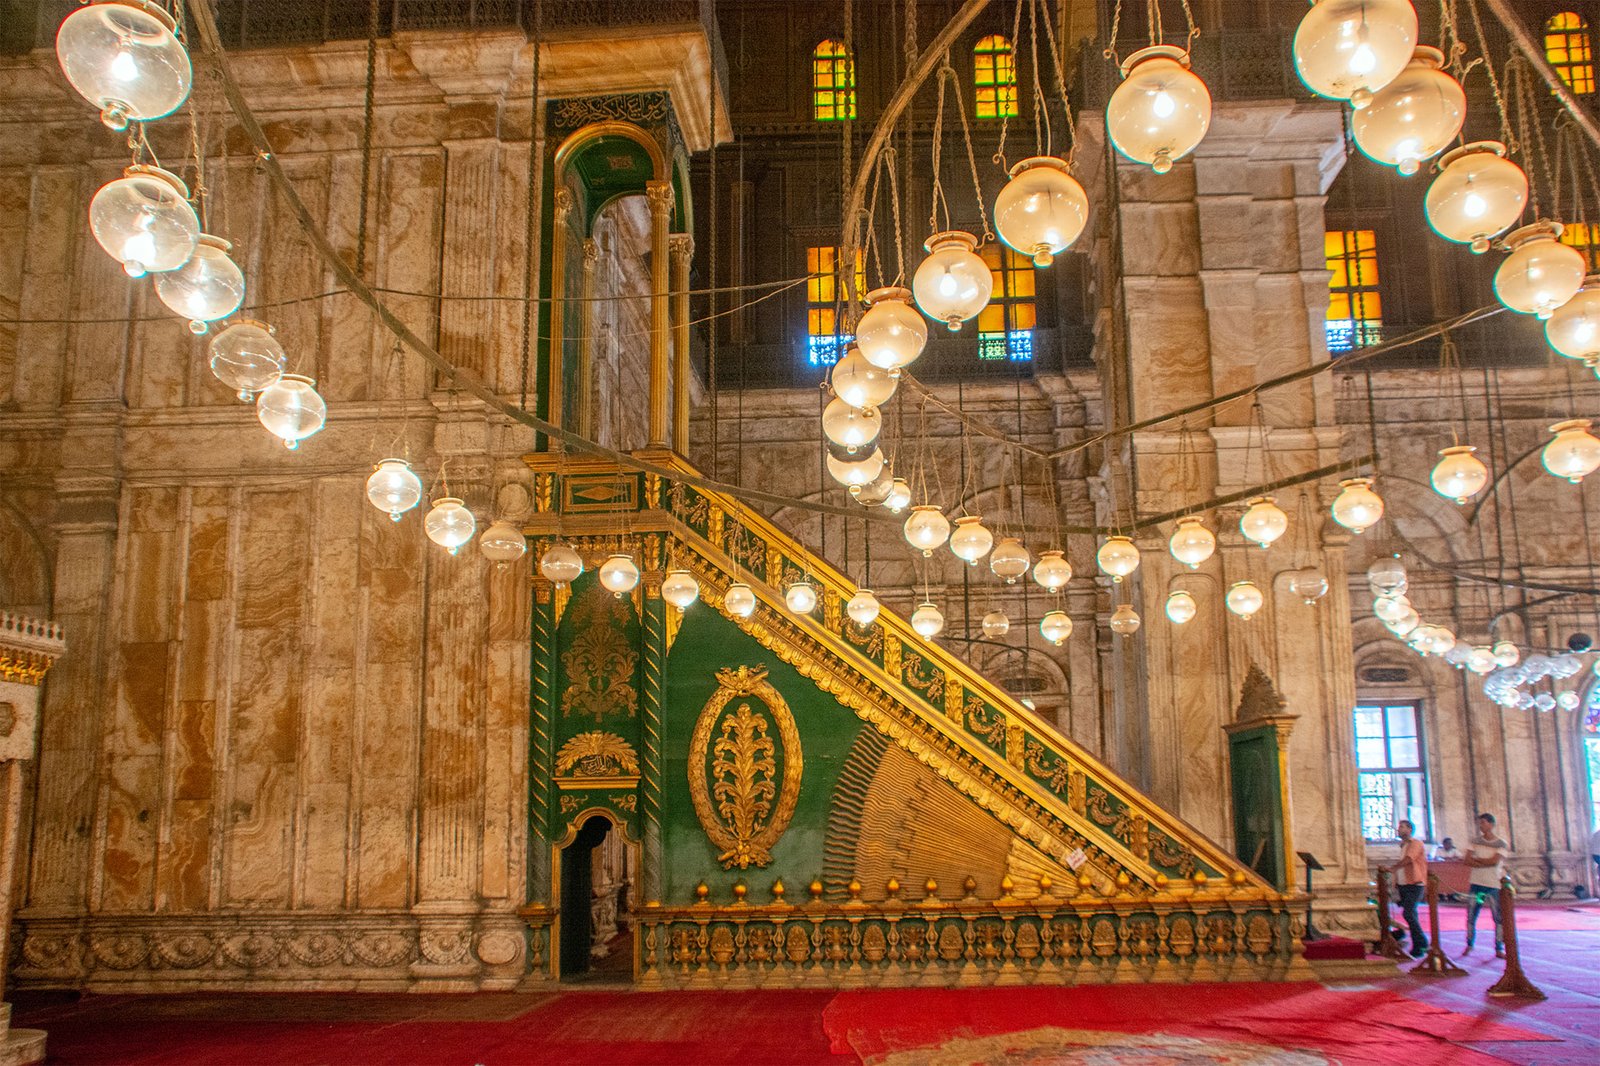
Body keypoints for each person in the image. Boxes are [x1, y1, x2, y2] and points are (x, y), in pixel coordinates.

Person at [1464, 812, 1510, 957]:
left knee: (1498, 917)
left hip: (1493, 885)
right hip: (1476, 884)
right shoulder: (1474, 841)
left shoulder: (1501, 843)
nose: (1481, 826)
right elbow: (1467, 860)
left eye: (1483, 823)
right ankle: (1469, 944)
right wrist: (1484, 862)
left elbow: (1494, 861)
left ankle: (1498, 947)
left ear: (1491, 824)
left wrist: (1477, 861)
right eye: (1480, 823)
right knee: (1472, 915)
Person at [1389, 819, 1429, 957]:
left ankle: (1421, 942)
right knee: (1410, 913)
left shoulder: (1416, 843)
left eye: (1402, 827)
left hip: (1415, 884)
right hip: (1404, 884)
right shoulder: (1403, 845)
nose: (1399, 829)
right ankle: (1419, 943)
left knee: (1409, 913)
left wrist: (1393, 868)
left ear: (1410, 829)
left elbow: (1409, 859)